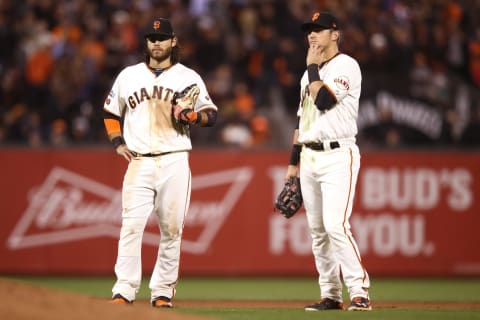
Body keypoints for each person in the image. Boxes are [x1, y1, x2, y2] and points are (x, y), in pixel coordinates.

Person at [103, 17, 218, 308]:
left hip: (174, 159)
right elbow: (110, 112)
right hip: (139, 161)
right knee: (131, 225)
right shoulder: (129, 76)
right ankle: (124, 290)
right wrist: (117, 143)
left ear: (173, 41)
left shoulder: (187, 76)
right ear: (146, 42)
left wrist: (194, 117)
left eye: (162, 37)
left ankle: (162, 291)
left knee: (172, 229)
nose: (156, 42)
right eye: (152, 38)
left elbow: (211, 114)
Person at [284, 12, 372, 311]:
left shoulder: (346, 65)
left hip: (338, 155)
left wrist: (311, 66)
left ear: (335, 34)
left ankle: (359, 291)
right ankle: (331, 294)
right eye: (309, 30)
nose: (312, 35)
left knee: (336, 225)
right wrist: (292, 165)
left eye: (319, 30)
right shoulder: (306, 76)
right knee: (318, 231)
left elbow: (324, 101)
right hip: (309, 155)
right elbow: (301, 121)